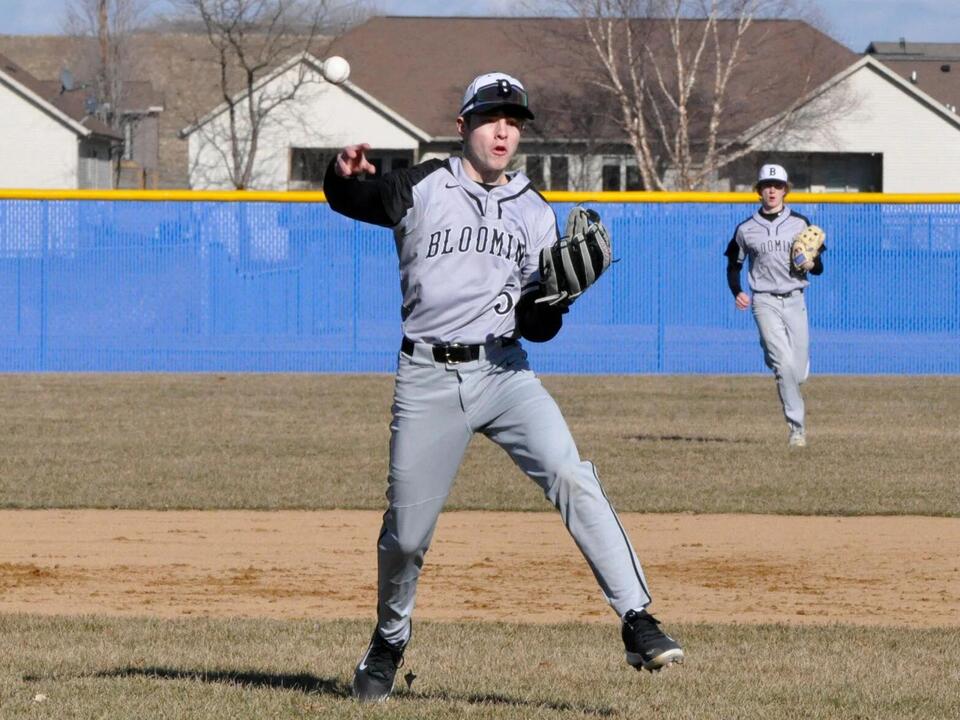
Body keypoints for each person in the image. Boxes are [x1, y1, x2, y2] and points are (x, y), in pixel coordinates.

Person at [324, 71, 684, 702]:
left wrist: (556, 299)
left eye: (514, 121)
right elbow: (352, 199)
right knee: (406, 536)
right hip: (429, 376)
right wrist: (341, 174)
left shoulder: (536, 213)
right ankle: (388, 640)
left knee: (572, 474)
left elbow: (538, 326)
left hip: (505, 372)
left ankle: (637, 619)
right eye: (491, 118)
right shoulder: (423, 186)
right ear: (463, 126)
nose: (503, 131)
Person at [724, 163, 826, 447]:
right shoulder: (746, 229)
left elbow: (818, 269)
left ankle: (774, 354)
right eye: (767, 186)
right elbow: (733, 264)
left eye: (777, 185)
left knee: (798, 372)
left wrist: (812, 262)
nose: (772, 190)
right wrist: (737, 291)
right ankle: (797, 429)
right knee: (783, 366)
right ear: (759, 191)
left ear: (785, 190)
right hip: (764, 301)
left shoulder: (800, 223)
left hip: (795, 299)